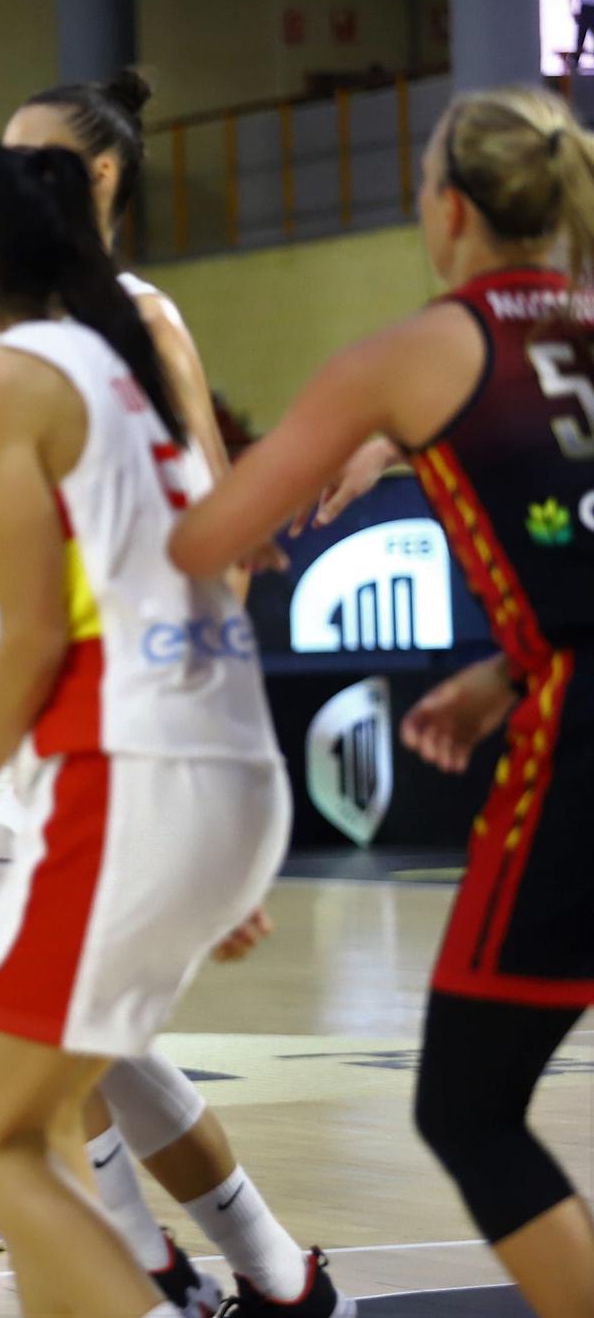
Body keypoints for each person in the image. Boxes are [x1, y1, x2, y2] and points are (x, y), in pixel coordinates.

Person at [0, 72, 340, 1318]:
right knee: (20, 1008)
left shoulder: (129, 319)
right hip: (83, 750)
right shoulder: (10, 349)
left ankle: (159, 1273)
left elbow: (210, 534)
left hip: (120, 736)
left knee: (5, 1051)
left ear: (89, 184)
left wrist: (197, 788)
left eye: (24, 164)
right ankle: (272, 1273)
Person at [167, 86, 594, 1318]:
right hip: (551, 678)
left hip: (579, 736)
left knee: (465, 1102)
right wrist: (503, 665)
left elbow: (210, 533)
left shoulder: (412, 353)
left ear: (446, 207)